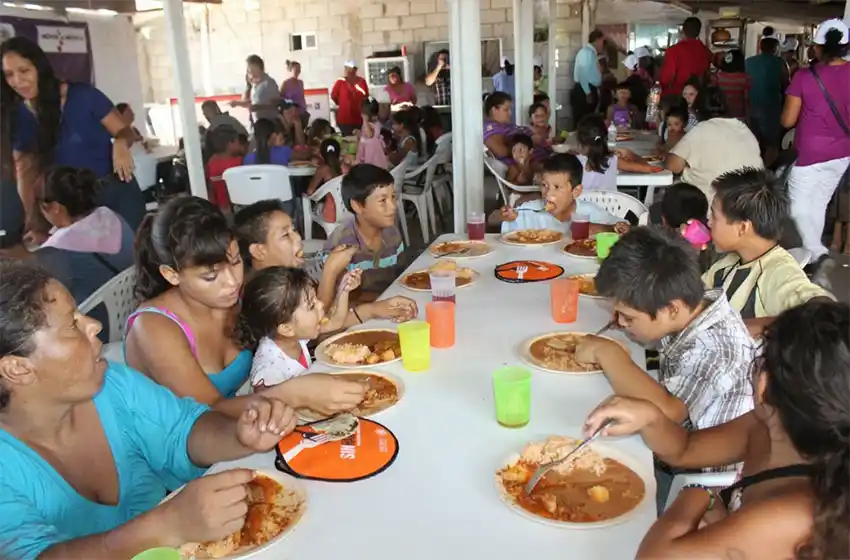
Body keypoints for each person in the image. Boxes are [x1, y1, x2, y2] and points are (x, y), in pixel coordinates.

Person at [0, 260, 297, 559]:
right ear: (17, 369)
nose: (95, 324)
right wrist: (165, 526)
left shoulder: (112, 384)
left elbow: (184, 431)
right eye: (72, 325)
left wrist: (239, 434)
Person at [584, 299, 850, 560]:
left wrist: (701, 494)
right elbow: (686, 448)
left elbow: (657, 556)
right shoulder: (766, 424)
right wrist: (652, 418)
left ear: (764, 385)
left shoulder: (794, 515)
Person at [126, 196, 368, 419]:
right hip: (185, 453)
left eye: (235, 262)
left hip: (243, 424)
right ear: (172, 275)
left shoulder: (234, 297)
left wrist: (368, 311)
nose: (232, 282)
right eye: (211, 277)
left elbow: (304, 326)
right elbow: (209, 413)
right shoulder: (152, 328)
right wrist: (293, 394)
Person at [578, 226, 755, 508]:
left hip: (699, 487)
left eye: (628, 317)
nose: (620, 323)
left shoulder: (712, 350)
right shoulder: (690, 309)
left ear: (671, 309)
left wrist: (608, 352)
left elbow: (670, 414)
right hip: (677, 451)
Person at [1, 37, 145, 239]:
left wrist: (120, 144)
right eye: (9, 75)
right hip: (75, 208)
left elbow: (124, 131)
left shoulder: (83, 95)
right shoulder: (20, 116)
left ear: (40, 68)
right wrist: (33, 223)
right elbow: (25, 172)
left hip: (117, 191)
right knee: (100, 267)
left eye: (24, 71)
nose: (17, 81)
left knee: (137, 254)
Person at [232, 198, 418, 322]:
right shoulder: (263, 294)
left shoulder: (289, 275)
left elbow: (329, 317)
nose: (298, 239)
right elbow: (316, 328)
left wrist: (373, 309)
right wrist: (330, 271)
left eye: (294, 230)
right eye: (285, 235)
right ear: (259, 251)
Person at [704, 168, 833, 337]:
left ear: (743, 227)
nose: (709, 222)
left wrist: (734, 330)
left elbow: (825, 315)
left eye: (714, 216)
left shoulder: (777, 272)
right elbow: (696, 297)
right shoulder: (729, 263)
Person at [0, 166, 133, 306]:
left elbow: (49, 261)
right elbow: (82, 240)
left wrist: (27, 256)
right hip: (128, 302)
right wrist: (47, 238)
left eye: (38, 203)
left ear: (55, 207)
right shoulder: (108, 215)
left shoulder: (57, 253)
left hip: (96, 314)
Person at [781, 19, 850, 275]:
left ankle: (814, 253)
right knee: (818, 203)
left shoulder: (804, 77)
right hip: (843, 153)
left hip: (810, 154)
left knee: (798, 207)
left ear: (818, 47)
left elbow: (787, 120)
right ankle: (812, 253)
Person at [239, 266, 360, 389]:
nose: (321, 304)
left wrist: (344, 290)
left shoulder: (295, 335)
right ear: (286, 328)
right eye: (311, 305)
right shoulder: (270, 372)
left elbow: (335, 322)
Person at [665, 87, 763, 202]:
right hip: (749, 201)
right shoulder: (743, 128)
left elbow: (673, 166)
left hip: (712, 204)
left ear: (697, 111)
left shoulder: (701, 130)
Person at [324, 164, 406, 298]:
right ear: (357, 205)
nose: (392, 207)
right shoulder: (341, 245)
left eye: (393, 197)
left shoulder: (392, 234)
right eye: (382, 200)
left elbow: (402, 277)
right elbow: (340, 300)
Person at [499, 153, 627, 234]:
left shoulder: (590, 212)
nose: (548, 194)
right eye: (544, 185)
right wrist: (506, 215)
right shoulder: (531, 211)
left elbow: (627, 230)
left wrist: (607, 229)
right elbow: (496, 221)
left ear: (576, 191)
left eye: (557, 187)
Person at [575, 114, 656, 193]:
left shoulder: (575, 161)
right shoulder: (612, 160)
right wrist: (629, 153)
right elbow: (648, 168)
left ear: (580, 142)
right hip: (609, 206)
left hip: (582, 206)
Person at [746, 36, 785, 164]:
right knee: (772, 142)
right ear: (775, 49)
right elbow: (786, 84)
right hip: (771, 106)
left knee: (752, 139)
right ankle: (767, 170)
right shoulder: (780, 62)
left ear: (760, 47)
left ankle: (753, 166)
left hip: (751, 105)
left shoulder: (748, 62)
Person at [659, 17, 712, 96]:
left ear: (683, 30)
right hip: (699, 96)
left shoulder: (673, 51)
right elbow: (707, 76)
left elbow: (667, 78)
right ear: (699, 31)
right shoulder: (706, 52)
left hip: (678, 96)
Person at [204, 125, 246, 212]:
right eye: (238, 142)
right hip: (236, 207)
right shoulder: (239, 162)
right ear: (230, 144)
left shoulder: (211, 162)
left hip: (218, 208)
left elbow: (210, 189)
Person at [483, 92, 531, 164]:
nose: (510, 113)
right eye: (506, 110)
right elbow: (499, 151)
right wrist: (524, 149)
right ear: (494, 110)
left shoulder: (505, 125)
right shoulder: (491, 128)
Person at [231, 54, 279, 124]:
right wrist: (237, 103)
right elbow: (252, 103)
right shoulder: (254, 84)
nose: (249, 71)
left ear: (259, 67)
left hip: (269, 124)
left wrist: (259, 107)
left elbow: (276, 104)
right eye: (248, 69)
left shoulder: (269, 83)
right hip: (257, 123)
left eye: (251, 68)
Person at [571, 29, 605, 126]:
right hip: (584, 90)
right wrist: (588, 92)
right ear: (597, 40)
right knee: (583, 121)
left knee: (588, 121)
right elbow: (582, 73)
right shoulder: (586, 53)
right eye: (602, 41)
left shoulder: (591, 53)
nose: (603, 44)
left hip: (588, 89)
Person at [306, 138, 344, 223]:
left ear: (321, 154)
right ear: (339, 153)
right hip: (349, 213)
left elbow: (310, 192)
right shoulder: (347, 167)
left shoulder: (322, 170)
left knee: (315, 204)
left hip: (330, 214)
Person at [331, 61, 369, 136]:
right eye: (346, 68)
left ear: (355, 70)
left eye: (348, 68)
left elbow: (366, 98)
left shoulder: (362, 81)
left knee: (359, 141)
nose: (346, 70)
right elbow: (334, 96)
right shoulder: (340, 81)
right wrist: (342, 104)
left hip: (359, 118)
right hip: (344, 119)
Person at [712, 49, 749, 120]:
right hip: (739, 115)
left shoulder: (716, 77)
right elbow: (746, 100)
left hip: (721, 115)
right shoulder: (745, 78)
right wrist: (748, 118)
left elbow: (713, 97)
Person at [356, 98, 389, 169]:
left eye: (364, 113)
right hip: (365, 149)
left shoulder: (376, 124)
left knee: (370, 167)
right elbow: (365, 134)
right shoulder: (367, 123)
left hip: (371, 152)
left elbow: (370, 134)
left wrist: (364, 120)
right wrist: (360, 134)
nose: (361, 114)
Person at [279, 59, 309, 127]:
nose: (298, 71)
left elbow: (302, 97)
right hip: (292, 113)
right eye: (296, 69)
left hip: (302, 111)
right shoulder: (286, 83)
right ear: (291, 70)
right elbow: (280, 98)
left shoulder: (300, 82)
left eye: (299, 69)